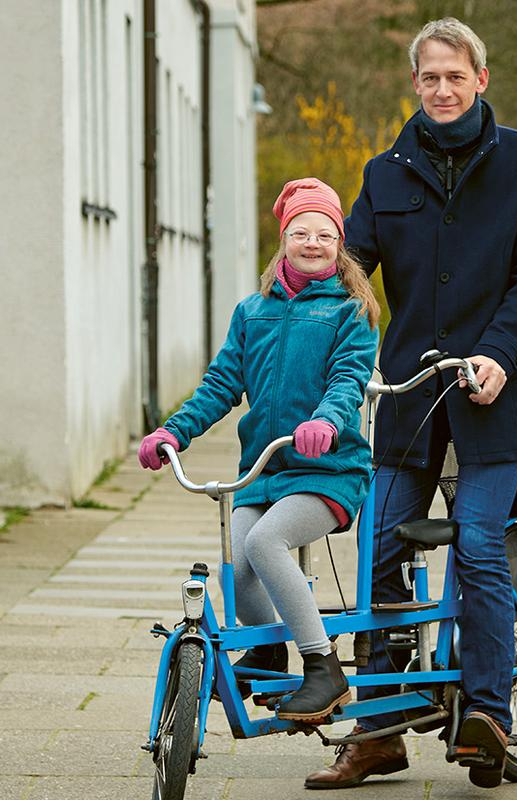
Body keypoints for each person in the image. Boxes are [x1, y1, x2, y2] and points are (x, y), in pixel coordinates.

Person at [304, 18, 517, 790]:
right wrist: (302, 284)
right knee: (377, 544)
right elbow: (353, 263)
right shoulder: (387, 172)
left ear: (481, 79)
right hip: (411, 394)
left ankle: (487, 716)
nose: (442, 89)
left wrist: (500, 353)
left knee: (479, 544)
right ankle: (381, 727)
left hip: (501, 388)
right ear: (414, 84)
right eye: (429, 78)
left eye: (455, 76)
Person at [138, 178, 380, 723]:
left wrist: (327, 420)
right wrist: (172, 432)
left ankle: (324, 668)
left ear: (339, 244)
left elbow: (347, 379)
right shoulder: (252, 311)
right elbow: (222, 383)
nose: (312, 242)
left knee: (269, 541)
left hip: (327, 470)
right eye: (301, 232)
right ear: (283, 239)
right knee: (237, 560)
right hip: (263, 472)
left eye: (324, 233)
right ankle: (268, 651)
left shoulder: (351, 312)